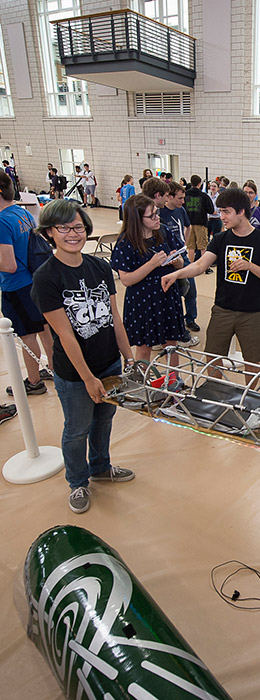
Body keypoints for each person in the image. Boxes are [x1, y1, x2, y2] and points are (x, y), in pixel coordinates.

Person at [31, 200, 135, 514]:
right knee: (76, 429)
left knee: (104, 421)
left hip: (109, 363)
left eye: (78, 227)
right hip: (75, 373)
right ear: (50, 232)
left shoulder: (101, 267)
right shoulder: (47, 278)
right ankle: (78, 481)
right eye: (63, 228)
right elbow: (64, 334)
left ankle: (101, 467)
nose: (72, 234)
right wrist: (88, 378)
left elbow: (115, 317)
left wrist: (129, 359)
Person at [161, 187, 260, 374]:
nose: (222, 216)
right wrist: (177, 274)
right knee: (212, 356)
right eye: (221, 211)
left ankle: (250, 401)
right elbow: (200, 265)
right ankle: (217, 394)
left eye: (226, 211)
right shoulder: (220, 238)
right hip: (223, 309)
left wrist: (250, 266)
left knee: (253, 362)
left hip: (252, 312)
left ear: (241, 211)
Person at [110, 194, 187, 364]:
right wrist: (151, 264)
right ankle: (144, 384)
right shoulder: (125, 243)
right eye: (151, 215)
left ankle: (174, 381)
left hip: (167, 295)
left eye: (156, 213)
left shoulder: (164, 231)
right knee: (144, 347)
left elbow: (181, 264)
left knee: (171, 344)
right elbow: (127, 280)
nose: (157, 218)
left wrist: (177, 261)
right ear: (137, 219)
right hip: (142, 301)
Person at [0, 172, 53, 396]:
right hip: (34, 280)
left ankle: (33, 381)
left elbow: (9, 265)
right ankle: (53, 368)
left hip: (16, 285)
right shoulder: (22, 213)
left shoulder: (2, 221)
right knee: (44, 330)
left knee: (27, 335)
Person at [158, 181, 200, 339]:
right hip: (167, 258)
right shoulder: (160, 214)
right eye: (180, 198)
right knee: (175, 291)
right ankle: (176, 324)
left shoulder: (181, 210)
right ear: (169, 197)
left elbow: (188, 227)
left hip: (181, 254)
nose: (183, 201)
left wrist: (185, 244)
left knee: (191, 289)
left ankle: (190, 318)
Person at [184, 174, 214, 262]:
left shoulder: (186, 195)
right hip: (201, 223)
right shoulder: (204, 196)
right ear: (199, 184)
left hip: (188, 224)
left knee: (191, 247)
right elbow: (211, 210)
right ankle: (203, 266)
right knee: (203, 247)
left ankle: (191, 265)